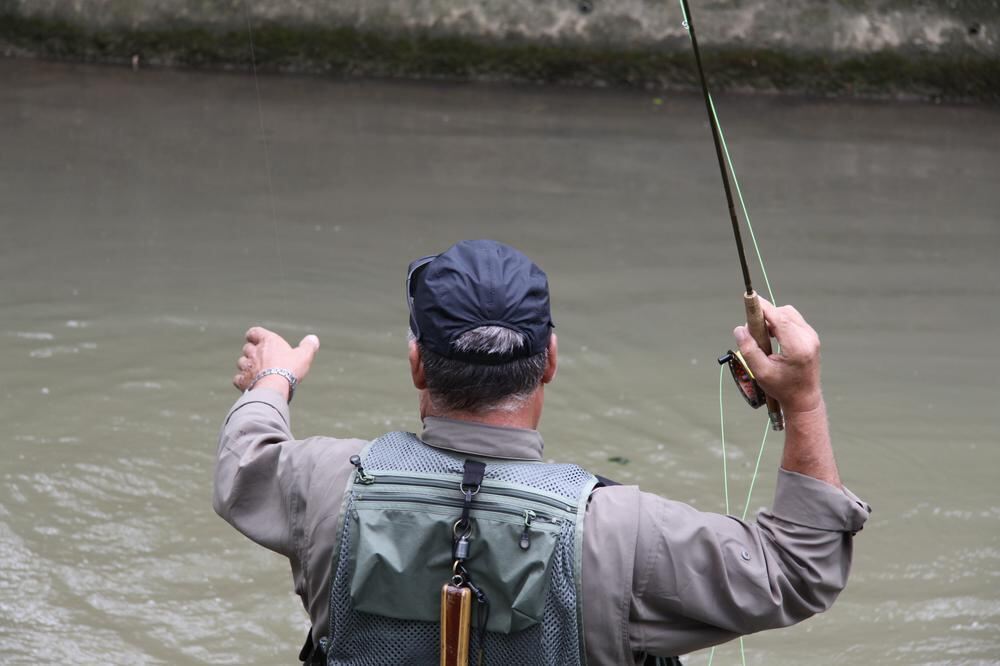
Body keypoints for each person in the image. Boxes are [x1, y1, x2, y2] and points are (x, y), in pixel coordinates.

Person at [214, 239, 870, 665]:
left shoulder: (324, 483)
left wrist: (275, 376)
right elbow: (797, 570)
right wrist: (803, 399)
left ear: (418, 365)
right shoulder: (621, 535)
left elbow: (245, 459)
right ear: (549, 361)